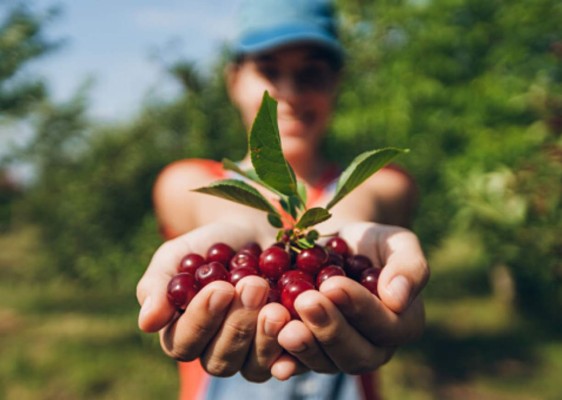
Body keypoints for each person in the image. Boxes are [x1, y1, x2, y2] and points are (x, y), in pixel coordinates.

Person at [136, 0, 429, 399]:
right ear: (233, 79)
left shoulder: (383, 182)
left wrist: (341, 237)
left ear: (335, 84)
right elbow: (213, 207)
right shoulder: (187, 178)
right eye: (269, 71)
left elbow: (363, 203)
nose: (289, 95)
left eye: (311, 75)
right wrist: (242, 228)